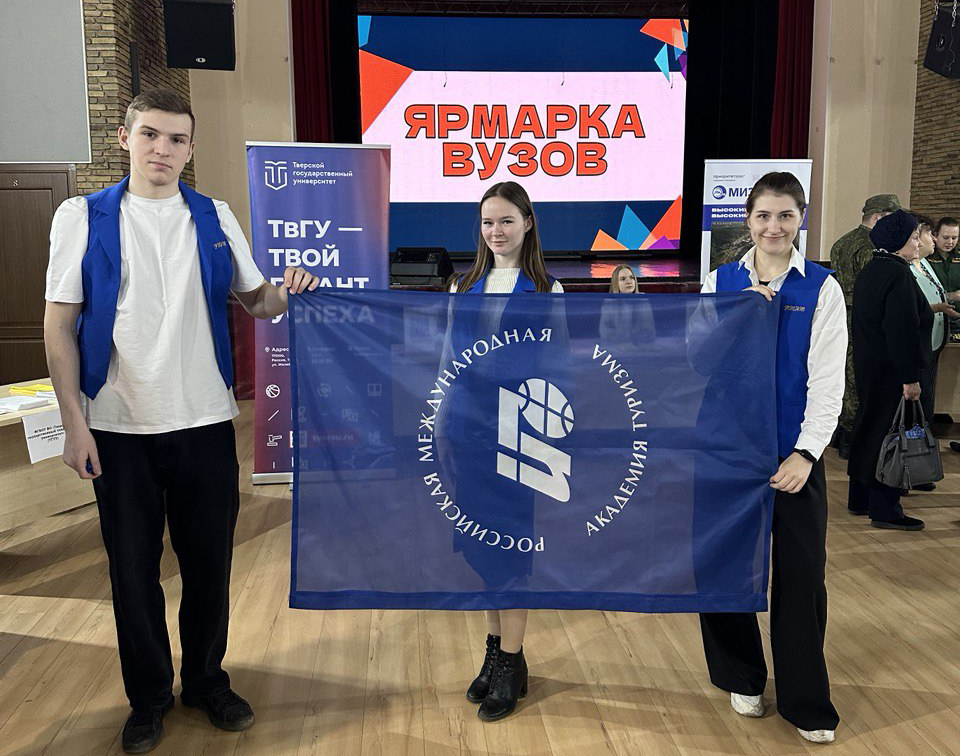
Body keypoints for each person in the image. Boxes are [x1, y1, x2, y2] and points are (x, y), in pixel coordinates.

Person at [43, 89, 319, 754]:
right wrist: (74, 422)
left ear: (190, 149)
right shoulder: (81, 216)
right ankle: (148, 698)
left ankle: (205, 681)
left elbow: (258, 302)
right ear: (125, 138)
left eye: (175, 139)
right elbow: (58, 325)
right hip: (117, 426)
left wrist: (290, 289)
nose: (161, 149)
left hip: (204, 421)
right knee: (132, 572)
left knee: (208, 566)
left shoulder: (214, 216)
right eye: (150, 135)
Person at [699, 172, 846, 744]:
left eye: (786, 215)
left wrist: (807, 452)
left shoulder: (822, 289)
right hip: (727, 450)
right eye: (763, 215)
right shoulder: (721, 281)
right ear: (748, 219)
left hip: (794, 456)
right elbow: (698, 358)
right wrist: (739, 317)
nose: (774, 227)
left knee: (801, 576)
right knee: (723, 568)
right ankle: (741, 675)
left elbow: (827, 382)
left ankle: (805, 698)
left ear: (801, 218)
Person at [446, 181, 562, 722]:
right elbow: (448, 361)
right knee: (482, 549)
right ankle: (495, 655)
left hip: (521, 437)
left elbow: (557, 365)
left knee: (511, 550)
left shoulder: (548, 289)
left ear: (528, 223)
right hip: (469, 434)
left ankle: (511, 663)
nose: (496, 231)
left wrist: (547, 438)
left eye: (507, 221)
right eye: (488, 222)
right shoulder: (463, 284)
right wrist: (443, 426)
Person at [846, 210, 933, 530]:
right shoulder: (898, 275)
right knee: (891, 434)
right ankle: (885, 507)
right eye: (915, 238)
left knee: (869, 427)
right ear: (899, 241)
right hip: (893, 371)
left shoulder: (873, 269)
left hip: (871, 366)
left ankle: (860, 498)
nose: (919, 244)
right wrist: (910, 378)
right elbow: (902, 331)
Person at [830, 194, 902, 455]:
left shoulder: (841, 242)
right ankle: (853, 436)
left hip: (840, 313)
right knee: (860, 375)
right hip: (864, 317)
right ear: (877, 217)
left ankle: (841, 432)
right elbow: (875, 287)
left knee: (844, 371)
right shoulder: (872, 246)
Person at [908, 212, 959, 483]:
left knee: (926, 409)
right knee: (915, 412)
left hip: (933, 345)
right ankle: (909, 468)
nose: (934, 240)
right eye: (930, 234)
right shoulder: (907, 269)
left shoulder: (924, 264)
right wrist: (939, 307)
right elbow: (911, 309)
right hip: (917, 348)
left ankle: (921, 467)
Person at [926, 217, 960, 342]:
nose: (950, 242)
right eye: (945, 237)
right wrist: (950, 296)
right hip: (935, 318)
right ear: (935, 235)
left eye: (954, 238)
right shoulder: (926, 258)